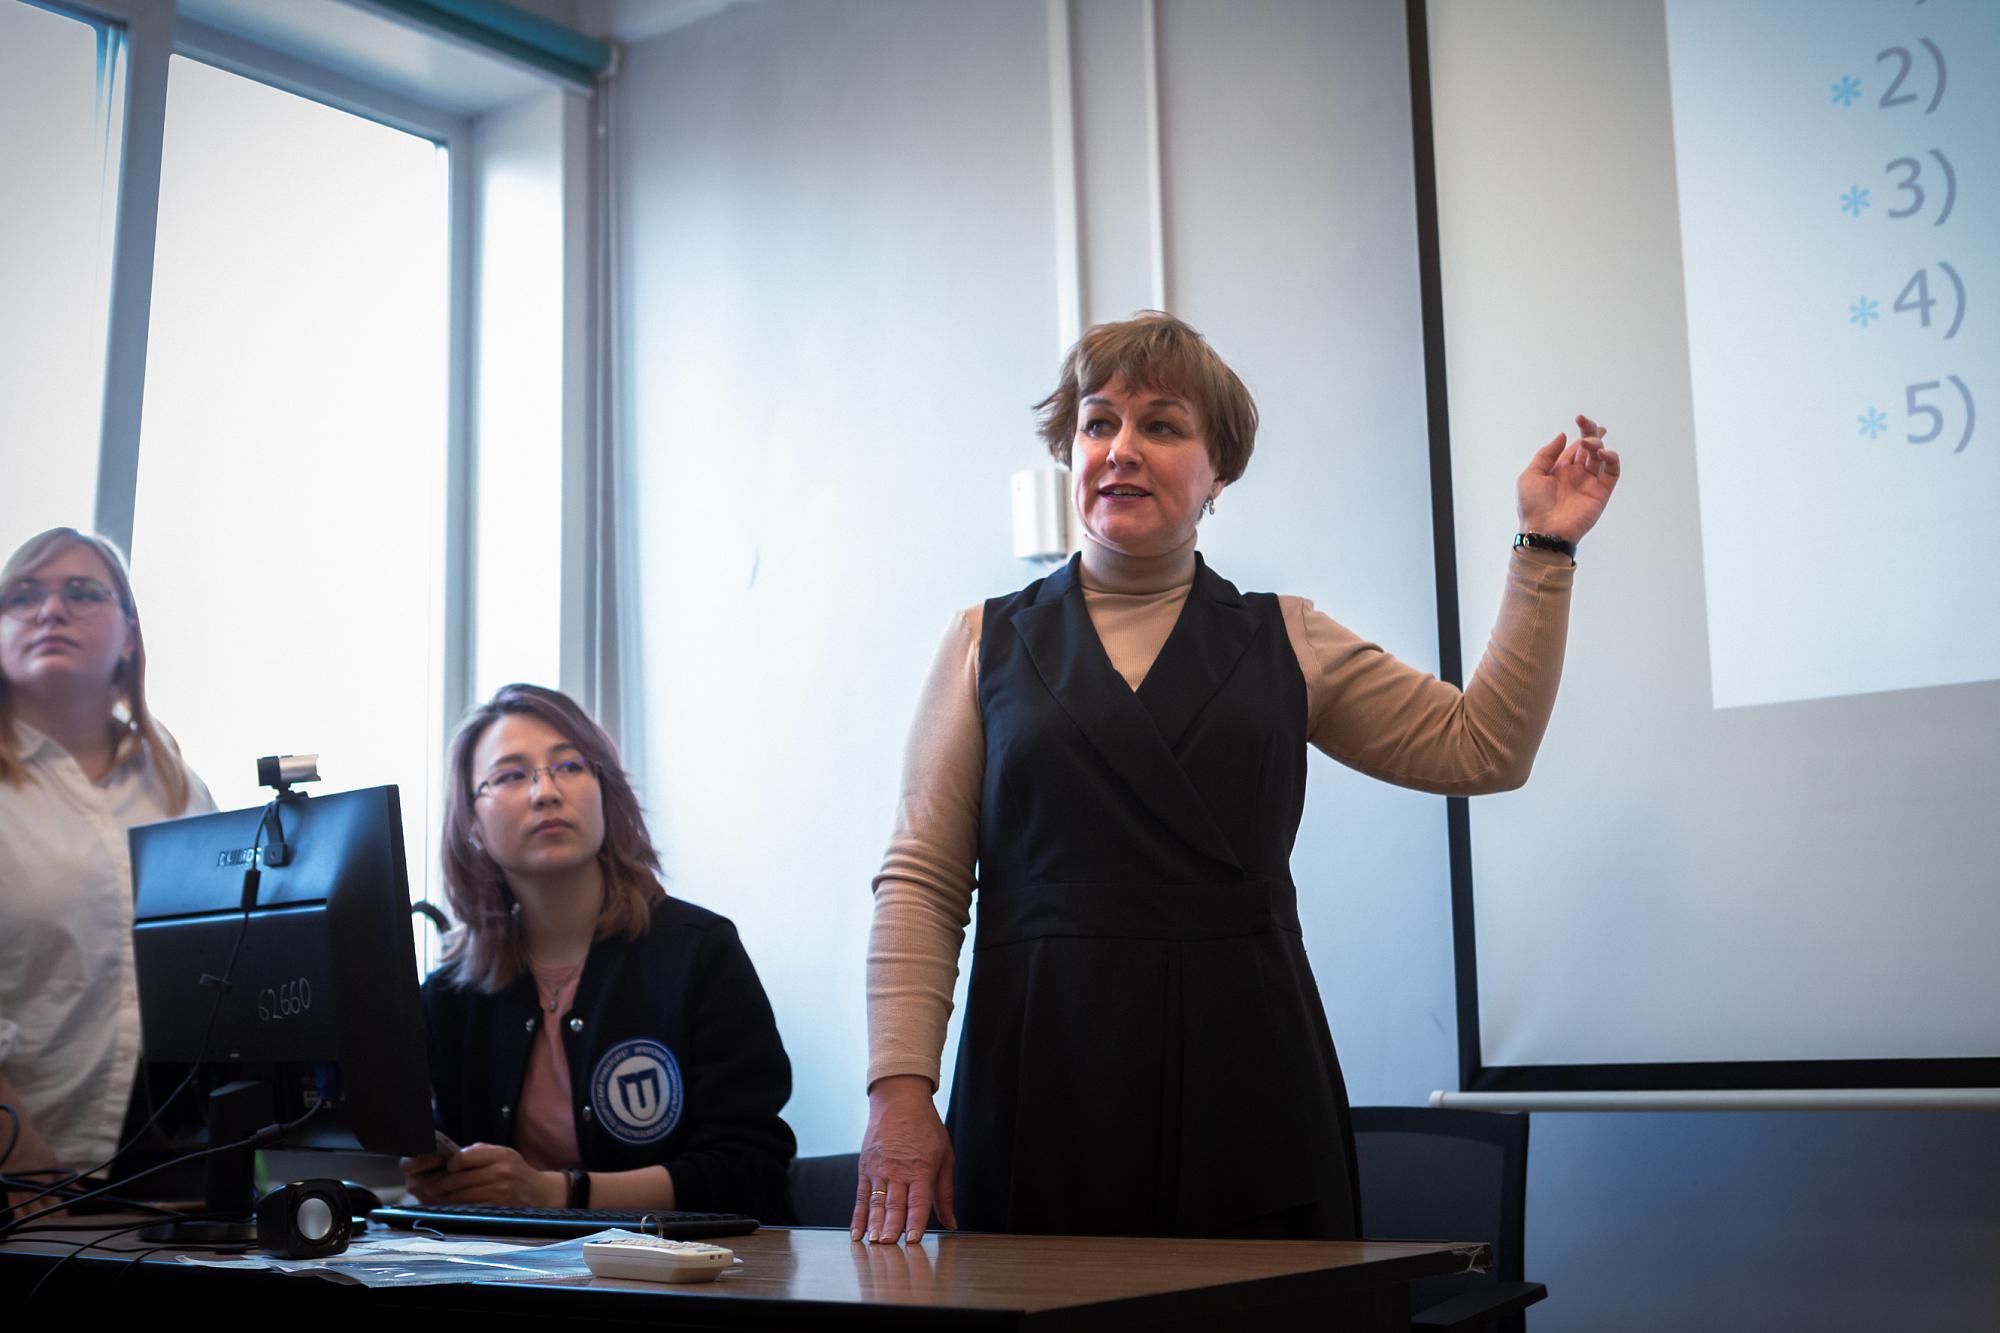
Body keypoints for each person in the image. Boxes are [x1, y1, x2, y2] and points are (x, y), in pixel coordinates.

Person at [856, 312, 1620, 1244]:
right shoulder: (985, 641)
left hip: (1249, 1085)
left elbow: (1484, 748)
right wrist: (900, 1091)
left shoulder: (1287, 637)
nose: (1122, 448)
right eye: (1098, 424)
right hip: (1040, 1078)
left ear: (1219, 472)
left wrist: (1544, 550)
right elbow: (923, 881)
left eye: (1161, 425)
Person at [401, 683, 795, 1221]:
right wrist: (449, 1181)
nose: (545, 792)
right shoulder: (450, 995)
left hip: (693, 1266)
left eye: (569, 766)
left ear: (605, 791)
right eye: (511, 775)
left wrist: (554, 1193)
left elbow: (749, 1170)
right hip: (508, 1268)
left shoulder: (700, 952)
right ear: (471, 823)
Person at [0, 527, 216, 1209]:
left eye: (82, 592)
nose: (50, 610)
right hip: (18, 1157)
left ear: (129, 636)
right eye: (22, 595)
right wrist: (14, 1146)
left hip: (165, 1158)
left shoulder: (178, 789)